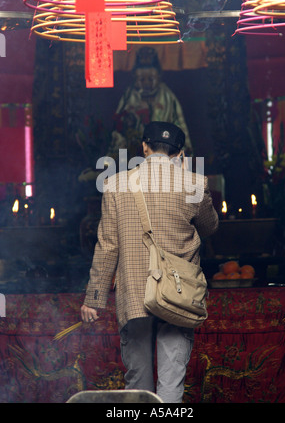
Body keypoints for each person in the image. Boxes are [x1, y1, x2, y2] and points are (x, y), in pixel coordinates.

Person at [81, 121, 219, 403]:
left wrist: (94, 299)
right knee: (172, 382)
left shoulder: (115, 184)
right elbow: (209, 228)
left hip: (133, 293)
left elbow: (107, 245)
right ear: (180, 153)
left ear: (144, 147)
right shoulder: (194, 183)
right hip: (178, 294)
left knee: (137, 384)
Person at [107, 47, 193, 161]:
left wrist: (185, 146)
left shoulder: (166, 95)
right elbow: (119, 124)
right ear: (135, 79)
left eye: (150, 79)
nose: (146, 83)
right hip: (135, 151)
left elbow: (179, 121)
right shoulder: (130, 94)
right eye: (142, 79)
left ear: (158, 77)